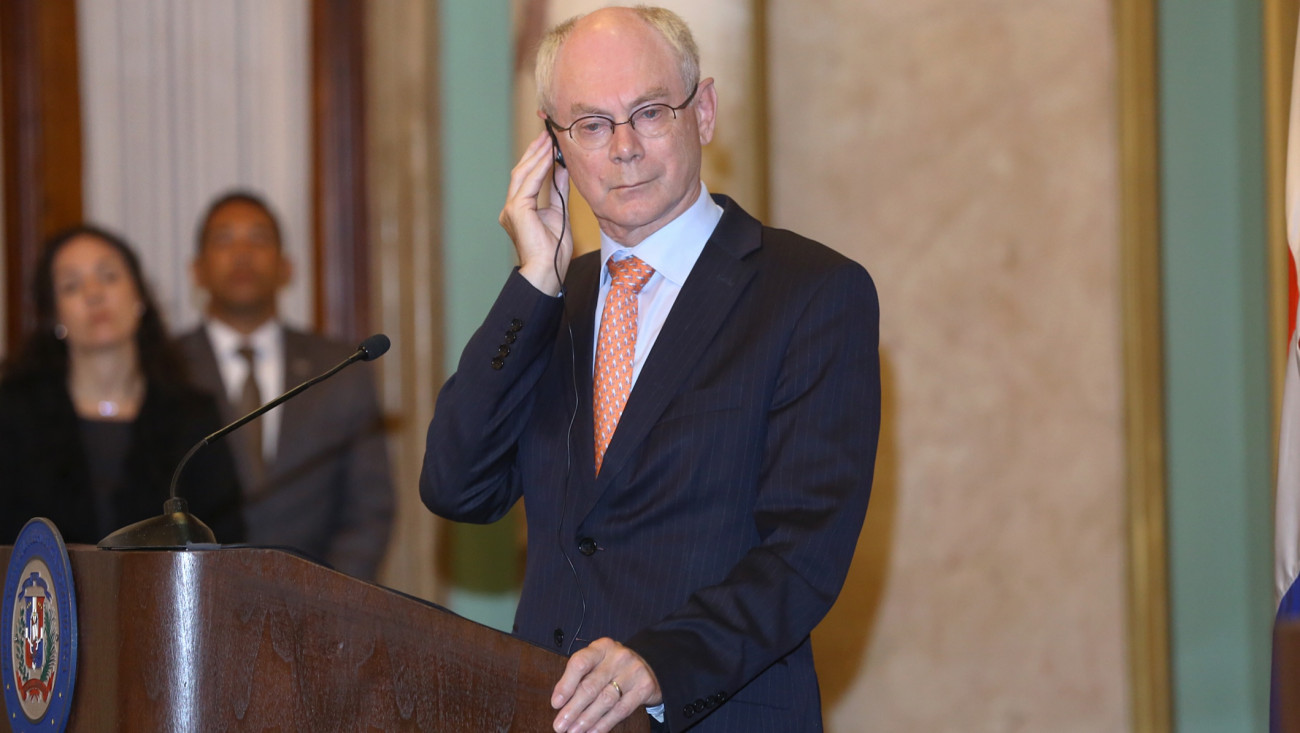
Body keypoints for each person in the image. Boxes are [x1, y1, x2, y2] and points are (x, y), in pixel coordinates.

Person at [421, 7, 880, 733]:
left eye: (650, 112)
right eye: (591, 125)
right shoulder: (552, 302)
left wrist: (660, 662)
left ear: (704, 111)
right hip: (549, 713)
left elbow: (804, 551)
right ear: (554, 145)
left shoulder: (810, 292)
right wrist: (533, 280)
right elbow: (457, 486)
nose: (624, 148)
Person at [177, 191, 394, 581]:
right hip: (193, 596)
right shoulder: (166, 368)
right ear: (197, 270)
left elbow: (370, 508)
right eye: (224, 240)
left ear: (286, 267)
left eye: (258, 239)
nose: (242, 254)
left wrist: (326, 598)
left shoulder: (341, 368)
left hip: (319, 600)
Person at [0, 225, 244, 545]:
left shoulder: (192, 416)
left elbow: (225, 541)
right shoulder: (14, 414)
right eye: (72, 285)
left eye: (108, 276)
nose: (94, 294)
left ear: (139, 297)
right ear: (55, 315)